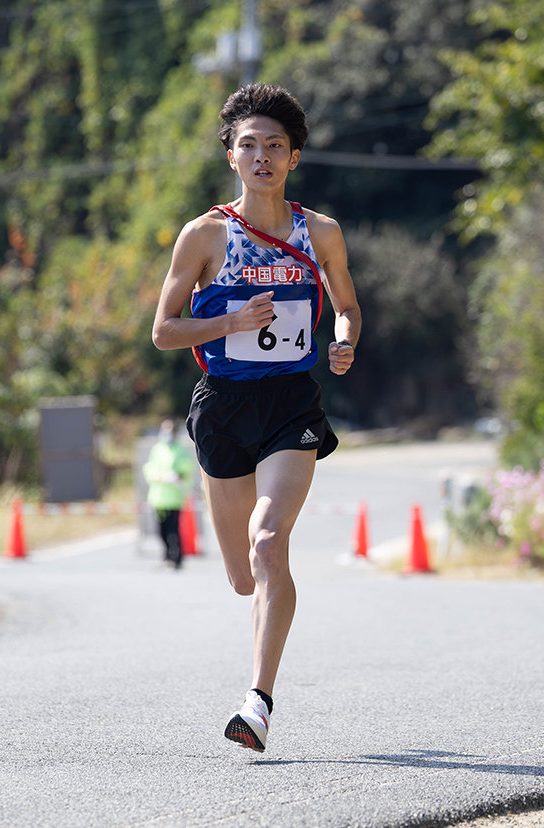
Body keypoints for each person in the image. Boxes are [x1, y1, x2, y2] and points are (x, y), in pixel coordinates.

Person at [152, 83, 361, 752]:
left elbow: (349, 305)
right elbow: (162, 331)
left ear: (294, 157)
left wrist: (345, 338)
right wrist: (230, 321)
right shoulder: (204, 235)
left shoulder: (319, 231)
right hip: (222, 409)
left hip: (291, 404)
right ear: (231, 155)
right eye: (249, 145)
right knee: (243, 575)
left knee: (270, 542)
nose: (262, 156)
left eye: (275, 146)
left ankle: (258, 702)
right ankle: (257, 670)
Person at [143, 419, 194, 569]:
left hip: (174, 498)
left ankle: (177, 557)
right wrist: (160, 476)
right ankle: (166, 555)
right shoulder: (157, 449)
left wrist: (176, 475)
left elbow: (186, 468)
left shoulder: (180, 450)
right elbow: (149, 469)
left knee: (174, 530)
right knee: (161, 530)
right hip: (158, 498)